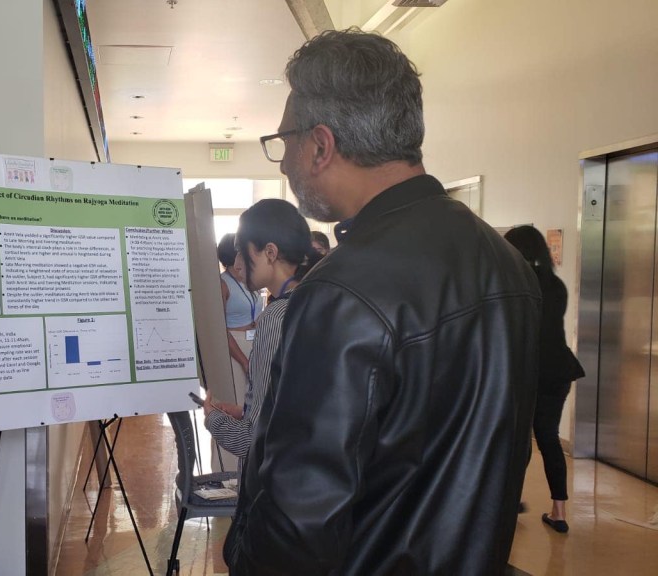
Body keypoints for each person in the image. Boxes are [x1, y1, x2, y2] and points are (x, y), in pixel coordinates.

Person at [225, 29, 541, 575]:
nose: (282, 164)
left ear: (320, 145)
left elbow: (298, 520)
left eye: (284, 142)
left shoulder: (341, 291)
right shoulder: (505, 261)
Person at [205, 200, 320, 469]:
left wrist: (213, 419)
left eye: (241, 252)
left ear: (270, 252)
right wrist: (246, 411)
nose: (237, 264)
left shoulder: (276, 316)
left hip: (275, 474)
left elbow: (252, 440)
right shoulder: (315, 300)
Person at [504, 225, 584, 534]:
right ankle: (559, 512)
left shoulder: (517, 285)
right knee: (549, 438)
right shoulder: (556, 284)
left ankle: (509, 502)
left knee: (519, 439)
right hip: (559, 370)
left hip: (529, 370)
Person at [218, 233, 261, 407]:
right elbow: (220, 329)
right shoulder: (222, 283)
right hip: (234, 346)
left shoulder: (250, 279)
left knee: (256, 398)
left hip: (255, 341)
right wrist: (244, 361)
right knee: (239, 400)